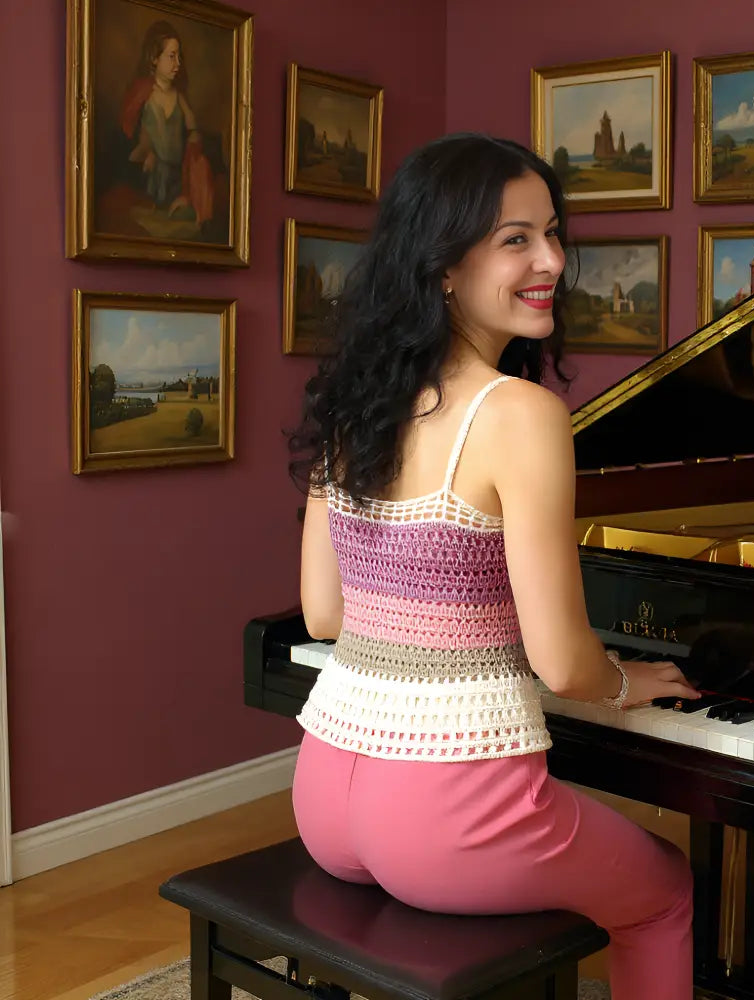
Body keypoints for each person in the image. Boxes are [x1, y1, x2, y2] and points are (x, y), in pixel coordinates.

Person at [287, 133, 699, 999]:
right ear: (442, 266)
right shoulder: (520, 413)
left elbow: (324, 615)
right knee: (664, 891)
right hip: (448, 824)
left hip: (324, 796)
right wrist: (625, 681)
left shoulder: (355, 404)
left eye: (552, 234)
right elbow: (564, 666)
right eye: (517, 239)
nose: (552, 261)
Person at [119, 20, 214, 225]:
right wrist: (146, 151)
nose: (177, 63)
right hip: (148, 180)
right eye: (171, 56)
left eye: (179, 57)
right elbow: (129, 137)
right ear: (154, 58)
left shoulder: (180, 98)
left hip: (176, 181)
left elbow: (194, 133)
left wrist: (193, 144)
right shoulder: (142, 95)